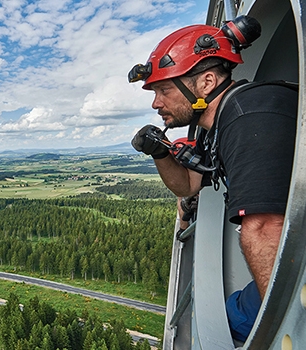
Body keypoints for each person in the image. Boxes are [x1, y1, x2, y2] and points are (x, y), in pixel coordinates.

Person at [128, 16, 298, 342]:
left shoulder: (248, 118)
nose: (155, 103)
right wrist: (160, 154)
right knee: (232, 319)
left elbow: (264, 229)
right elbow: (189, 184)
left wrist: (285, 333)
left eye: (163, 89)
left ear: (206, 83)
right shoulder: (217, 124)